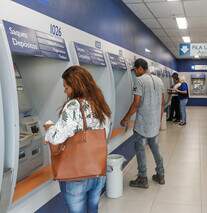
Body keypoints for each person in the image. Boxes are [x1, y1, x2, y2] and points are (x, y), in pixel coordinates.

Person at [44, 66, 111, 213]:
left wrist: (49, 126)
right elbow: (105, 133)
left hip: (77, 174)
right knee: (92, 208)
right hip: (98, 169)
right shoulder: (99, 102)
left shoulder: (74, 105)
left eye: (66, 87)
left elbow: (56, 139)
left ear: (76, 86)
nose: (65, 91)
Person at [121, 58, 165, 188]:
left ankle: (142, 178)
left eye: (135, 69)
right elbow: (162, 103)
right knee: (155, 148)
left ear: (140, 68)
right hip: (155, 123)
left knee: (140, 150)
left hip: (142, 123)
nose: (134, 72)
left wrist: (126, 118)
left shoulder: (139, 81)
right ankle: (161, 174)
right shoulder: (159, 80)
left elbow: (136, 103)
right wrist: (159, 118)